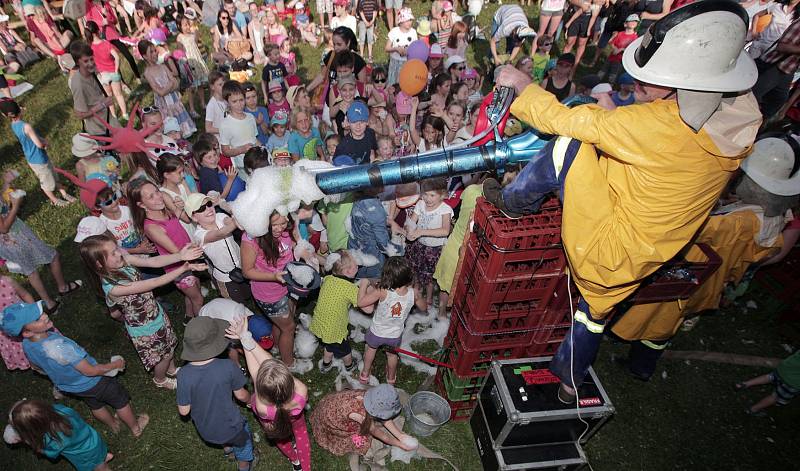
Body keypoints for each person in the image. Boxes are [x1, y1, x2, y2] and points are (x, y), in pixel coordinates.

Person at [489, 0, 762, 403]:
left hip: (608, 244)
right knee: (593, 313)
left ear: (683, 85)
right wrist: (621, 115)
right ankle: (568, 381)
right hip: (647, 254)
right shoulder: (740, 116)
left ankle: (513, 202)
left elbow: (572, 123)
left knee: (567, 147)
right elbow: (662, 153)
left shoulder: (660, 125)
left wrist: (523, 87)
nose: (637, 87)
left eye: (647, 82)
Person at [0, 302, 149, 436]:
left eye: (41, 313)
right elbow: (90, 371)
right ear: (27, 332)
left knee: (95, 405)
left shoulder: (27, 344)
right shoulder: (61, 347)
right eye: (38, 319)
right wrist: (115, 365)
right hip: (95, 382)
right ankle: (135, 427)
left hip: (73, 387)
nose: (45, 316)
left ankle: (113, 424)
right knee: (120, 402)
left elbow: (36, 367)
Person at [79, 234, 205, 389]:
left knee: (169, 347)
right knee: (163, 357)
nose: (119, 253)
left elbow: (152, 261)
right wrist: (184, 267)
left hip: (155, 314)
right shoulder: (114, 288)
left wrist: (180, 255)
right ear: (99, 264)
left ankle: (171, 370)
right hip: (146, 329)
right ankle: (160, 379)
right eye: (112, 253)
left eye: (116, 248)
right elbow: (153, 282)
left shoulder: (123, 260)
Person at [222, 314, 310, 470]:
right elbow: (269, 363)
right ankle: (305, 467)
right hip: (295, 418)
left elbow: (256, 372)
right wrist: (245, 337)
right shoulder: (301, 391)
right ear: (289, 380)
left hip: (273, 424)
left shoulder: (262, 406)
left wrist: (244, 338)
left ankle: (295, 461)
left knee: (281, 440)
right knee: (302, 435)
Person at [177, 316, 255, 471]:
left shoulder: (183, 374)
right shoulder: (228, 366)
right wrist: (250, 400)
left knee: (223, 438)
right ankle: (244, 465)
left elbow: (184, 411)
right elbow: (240, 395)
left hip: (206, 429)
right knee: (244, 444)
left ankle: (227, 449)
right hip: (233, 427)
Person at [128, 179, 206, 325]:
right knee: (198, 299)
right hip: (179, 268)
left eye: (157, 191)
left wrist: (180, 208)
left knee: (192, 292)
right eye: (151, 196)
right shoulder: (152, 227)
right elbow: (177, 252)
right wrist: (197, 248)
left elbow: (185, 222)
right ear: (142, 205)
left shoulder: (165, 210)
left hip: (189, 258)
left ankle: (189, 317)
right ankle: (203, 328)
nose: (158, 196)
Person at [0, 182, 81, 314]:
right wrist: (15, 206)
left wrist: (6, 188)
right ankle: (63, 288)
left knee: (30, 270)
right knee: (52, 256)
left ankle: (49, 303)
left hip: (8, 243)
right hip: (15, 239)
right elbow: (3, 228)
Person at [241, 211, 299, 371]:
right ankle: (288, 365)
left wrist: (305, 252)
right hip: (269, 294)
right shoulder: (251, 239)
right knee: (289, 327)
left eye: (283, 223)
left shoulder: (288, 225)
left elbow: (294, 243)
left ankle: (276, 347)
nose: (280, 229)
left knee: (282, 323)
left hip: (289, 284)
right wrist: (274, 277)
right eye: (274, 225)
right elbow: (247, 271)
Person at [357, 257, 426, 384]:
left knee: (370, 350)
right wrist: (418, 294)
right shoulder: (413, 293)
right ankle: (391, 379)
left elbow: (361, 302)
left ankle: (365, 374)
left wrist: (364, 284)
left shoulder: (382, 291)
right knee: (392, 355)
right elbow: (424, 307)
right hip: (394, 335)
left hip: (376, 332)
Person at [0, 99, 76, 206]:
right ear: (20, 109)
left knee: (53, 176)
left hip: (33, 157)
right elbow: (39, 145)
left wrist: (41, 139)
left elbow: (31, 137)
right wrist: (44, 143)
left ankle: (64, 194)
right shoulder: (26, 126)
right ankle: (54, 200)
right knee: (46, 183)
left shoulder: (14, 125)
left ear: (5, 115)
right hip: (38, 159)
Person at [310, 384, 417, 457]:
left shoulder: (370, 396)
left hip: (330, 403)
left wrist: (400, 435)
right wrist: (399, 444)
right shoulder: (359, 415)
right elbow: (381, 435)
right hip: (329, 419)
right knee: (362, 440)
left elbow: (384, 418)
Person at [5, 399, 114, 471]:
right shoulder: (60, 410)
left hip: (85, 455)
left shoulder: (53, 439)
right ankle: (103, 457)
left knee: (99, 467)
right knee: (98, 455)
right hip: (93, 439)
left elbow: (51, 453)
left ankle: (102, 464)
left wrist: (33, 444)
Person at [187, 193, 252, 303]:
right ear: (194, 217)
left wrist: (233, 216)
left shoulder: (220, 216)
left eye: (209, 204)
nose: (208, 209)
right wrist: (237, 221)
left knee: (248, 294)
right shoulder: (199, 235)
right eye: (202, 208)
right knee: (236, 305)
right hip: (225, 278)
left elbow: (229, 221)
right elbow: (219, 233)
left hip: (241, 266)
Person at [310, 250, 367, 374]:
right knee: (345, 350)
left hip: (320, 324)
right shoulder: (350, 289)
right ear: (347, 272)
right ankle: (349, 365)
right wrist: (363, 286)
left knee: (328, 344)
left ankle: (326, 364)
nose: (358, 265)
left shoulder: (328, 278)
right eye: (355, 265)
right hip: (335, 329)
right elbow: (367, 308)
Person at [752, 0, 800, 118]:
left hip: (787, 68)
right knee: (752, 95)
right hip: (771, 58)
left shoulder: (796, 14)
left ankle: (755, 126)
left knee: (776, 102)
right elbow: (781, 46)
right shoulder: (777, 7)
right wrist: (753, 32)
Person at [140, 40, 196, 138]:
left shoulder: (163, 67)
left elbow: (176, 83)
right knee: (169, 117)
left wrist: (167, 87)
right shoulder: (148, 73)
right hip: (164, 103)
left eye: (155, 50)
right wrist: (170, 84)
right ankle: (172, 135)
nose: (155, 53)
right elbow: (160, 92)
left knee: (177, 112)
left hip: (173, 99)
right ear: (145, 56)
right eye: (151, 52)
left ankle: (183, 131)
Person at [68, 41, 118, 137]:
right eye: (86, 61)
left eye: (92, 59)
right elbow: (80, 114)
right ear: (78, 62)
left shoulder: (92, 71)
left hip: (110, 121)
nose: (91, 63)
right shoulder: (78, 84)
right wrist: (102, 105)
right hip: (100, 130)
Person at [736, 350, 800, 416]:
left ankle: (744, 384)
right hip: (793, 382)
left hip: (784, 368)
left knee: (770, 377)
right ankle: (753, 409)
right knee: (776, 397)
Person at [219, 80, 258, 176]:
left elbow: (254, 139)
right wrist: (241, 149)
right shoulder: (225, 124)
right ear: (227, 102)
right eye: (234, 101)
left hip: (257, 163)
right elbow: (225, 151)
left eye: (241, 100)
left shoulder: (250, 117)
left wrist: (265, 149)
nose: (239, 104)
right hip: (242, 168)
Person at [0, 275, 34, 371]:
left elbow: (25, 295)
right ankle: (28, 361)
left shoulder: (7, 280)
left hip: (26, 321)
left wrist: (35, 311)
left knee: (39, 343)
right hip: (6, 332)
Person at [599, 14, 639, 84]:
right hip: (611, 57)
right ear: (625, 24)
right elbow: (612, 43)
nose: (633, 22)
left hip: (620, 60)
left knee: (613, 75)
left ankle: (610, 86)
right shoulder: (620, 34)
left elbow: (631, 49)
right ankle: (596, 81)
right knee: (603, 70)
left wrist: (621, 50)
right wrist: (614, 48)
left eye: (635, 21)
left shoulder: (635, 37)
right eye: (631, 21)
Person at [385, 8, 417, 86]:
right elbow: (387, 48)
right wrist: (396, 49)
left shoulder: (413, 32)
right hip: (395, 62)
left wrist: (408, 51)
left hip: (407, 62)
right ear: (401, 21)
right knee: (393, 84)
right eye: (407, 20)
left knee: (405, 84)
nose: (410, 22)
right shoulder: (394, 32)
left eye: (410, 20)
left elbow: (415, 48)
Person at [205, 70, 228, 136]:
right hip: (220, 139)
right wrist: (224, 130)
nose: (223, 86)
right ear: (212, 87)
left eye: (224, 83)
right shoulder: (211, 105)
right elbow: (208, 128)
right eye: (220, 85)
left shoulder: (227, 99)